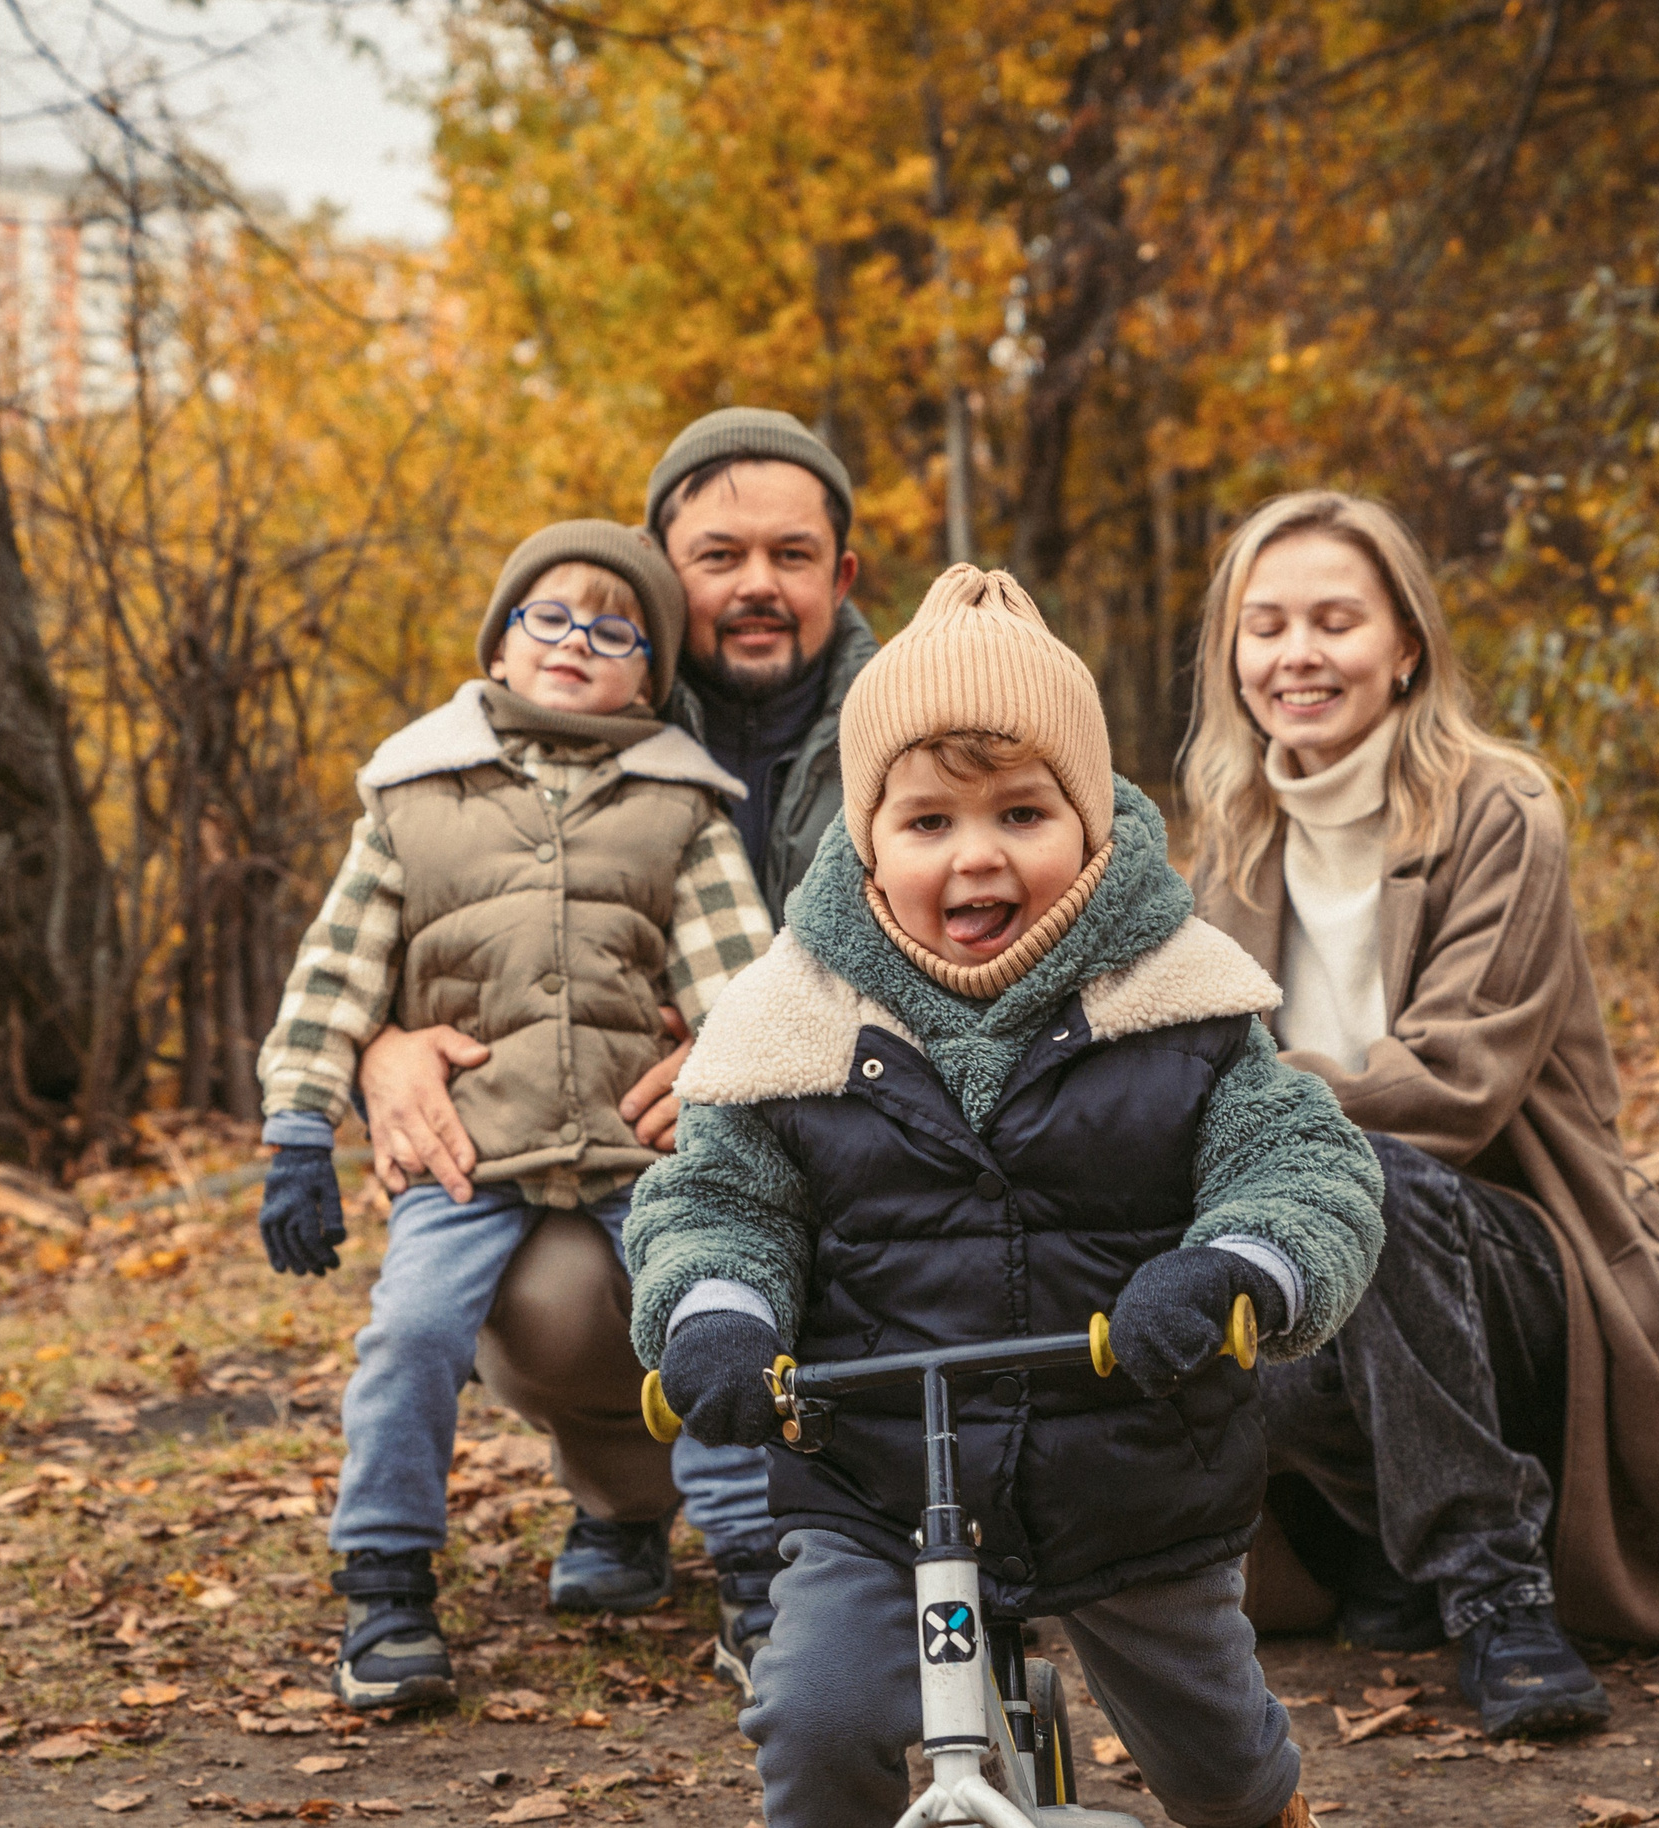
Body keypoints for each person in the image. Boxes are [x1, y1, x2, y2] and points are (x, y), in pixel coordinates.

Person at [627, 563, 1385, 1828]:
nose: (977, 856)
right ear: (864, 839)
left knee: (1219, 1760)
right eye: (927, 822)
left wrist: (1235, 1267)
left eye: (1023, 813)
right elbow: (714, 1195)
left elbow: (1303, 1162)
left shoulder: (1177, 998)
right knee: (815, 1718)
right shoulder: (791, 1021)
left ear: (1091, 821)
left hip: (1132, 1463)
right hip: (873, 1479)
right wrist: (716, 1311)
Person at [352, 408, 877, 1693]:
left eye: (791, 555)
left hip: (854, 1138)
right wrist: (381, 1052)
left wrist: (747, 1047)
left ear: (840, 577)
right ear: (661, 567)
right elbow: (392, 918)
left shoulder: (904, 720)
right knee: (547, 1291)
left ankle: (840, 1517)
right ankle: (626, 1488)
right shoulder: (555, 708)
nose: (756, 584)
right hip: (614, 1156)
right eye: (718, 555)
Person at [251, 521, 770, 1710]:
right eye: (549, 616)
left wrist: (738, 1095)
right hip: (467, 1157)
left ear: (651, 671)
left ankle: (757, 1572)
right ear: (498, 640)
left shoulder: (679, 809)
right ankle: (383, 1583)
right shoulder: (410, 796)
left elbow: (741, 984)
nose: (576, 643)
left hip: (640, 1153)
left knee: (712, 1315)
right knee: (410, 1334)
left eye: (614, 627)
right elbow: (336, 971)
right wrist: (297, 1126)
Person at [1182, 489, 1613, 1739]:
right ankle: (1380, 1536)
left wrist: (1239, 1106)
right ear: (1232, 655)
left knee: (1366, 1174)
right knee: (1191, 1279)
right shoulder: (1224, 846)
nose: (1296, 655)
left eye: (1334, 620)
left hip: (1515, 1263)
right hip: (1341, 1263)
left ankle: (1495, 1589)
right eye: (1265, 626)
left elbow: (1455, 1090)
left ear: (1405, 644)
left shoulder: (1499, 810)